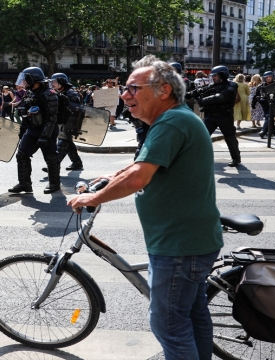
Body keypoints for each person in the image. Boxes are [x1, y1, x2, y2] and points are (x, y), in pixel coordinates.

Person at [67, 56, 223, 360]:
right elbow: (143, 165)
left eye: (132, 89)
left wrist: (91, 199)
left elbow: (139, 177)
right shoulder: (177, 118)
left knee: (169, 325)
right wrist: (113, 176)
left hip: (178, 245)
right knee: (193, 316)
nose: (125, 95)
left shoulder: (172, 121)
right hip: (191, 239)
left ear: (163, 90)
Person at [8, 67, 60, 194]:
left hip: (47, 130)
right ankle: (24, 184)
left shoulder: (49, 94)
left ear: (34, 79)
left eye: (26, 79)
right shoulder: (30, 93)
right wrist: (23, 130)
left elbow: (52, 118)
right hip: (32, 129)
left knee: (50, 157)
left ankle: (54, 184)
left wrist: (45, 136)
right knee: (22, 155)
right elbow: (25, 114)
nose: (24, 82)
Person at [188, 65, 241, 167]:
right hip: (211, 116)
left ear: (222, 75)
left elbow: (220, 97)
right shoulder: (212, 86)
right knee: (202, 136)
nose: (213, 78)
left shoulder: (232, 85)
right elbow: (201, 91)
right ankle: (197, 157)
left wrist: (201, 100)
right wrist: (191, 93)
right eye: (213, 76)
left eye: (215, 76)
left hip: (225, 116)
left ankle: (236, 158)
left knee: (230, 138)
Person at [45, 73, 84, 171]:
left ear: (61, 83)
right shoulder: (57, 93)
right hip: (63, 122)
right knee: (68, 143)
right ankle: (77, 162)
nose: (52, 84)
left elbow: (78, 108)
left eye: (54, 82)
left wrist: (64, 102)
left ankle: (54, 165)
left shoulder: (70, 93)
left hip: (71, 122)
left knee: (62, 142)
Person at [252, 71, 275, 139]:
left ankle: (263, 131)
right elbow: (256, 95)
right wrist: (253, 103)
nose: (269, 78)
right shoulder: (261, 86)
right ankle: (273, 130)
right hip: (264, 104)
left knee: (268, 116)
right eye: (267, 77)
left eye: (270, 77)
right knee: (270, 117)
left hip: (273, 104)